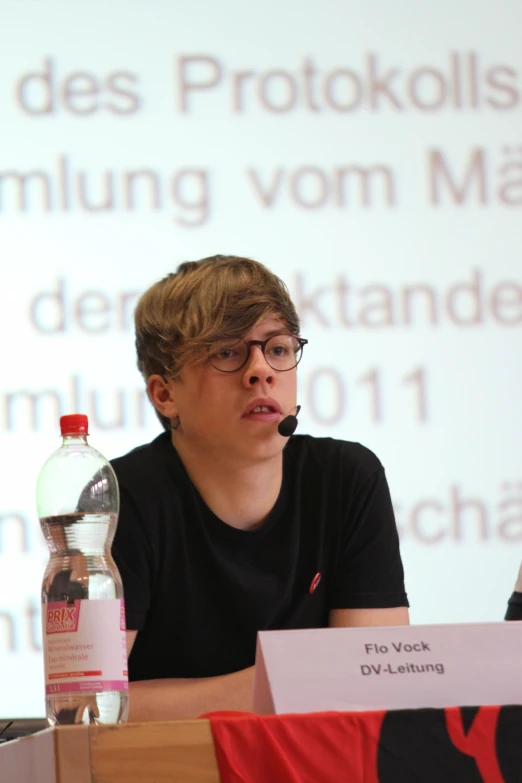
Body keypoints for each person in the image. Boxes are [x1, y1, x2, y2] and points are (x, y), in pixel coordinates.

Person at [110, 254, 409, 721]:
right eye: (227, 352)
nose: (260, 371)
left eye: (278, 349)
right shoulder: (118, 498)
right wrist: (281, 683)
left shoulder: (348, 479)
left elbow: (377, 686)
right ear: (165, 394)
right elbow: (88, 706)